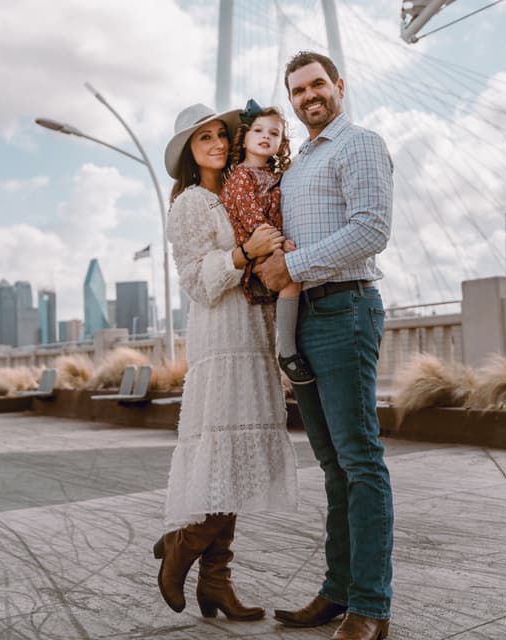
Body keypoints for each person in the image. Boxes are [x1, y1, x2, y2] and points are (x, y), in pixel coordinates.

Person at [255, 51, 394, 640]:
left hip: (345, 308)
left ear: (339, 85)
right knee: (333, 466)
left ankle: (371, 606)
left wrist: (292, 264)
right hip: (304, 317)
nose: (308, 96)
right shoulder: (301, 160)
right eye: (298, 90)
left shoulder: (358, 144)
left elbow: (371, 229)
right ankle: (337, 592)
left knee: (361, 461)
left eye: (317, 85)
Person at [155, 103, 298, 622]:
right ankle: (182, 546)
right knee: (222, 454)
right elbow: (195, 281)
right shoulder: (192, 204)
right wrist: (243, 253)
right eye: (204, 139)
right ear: (190, 155)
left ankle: (216, 582)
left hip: (253, 336)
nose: (216, 143)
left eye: (221, 135)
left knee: (235, 462)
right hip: (220, 339)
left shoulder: (241, 187)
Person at [221, 98, 315, 385]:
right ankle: (286, 351)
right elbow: (254, 223)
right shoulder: (241, 177)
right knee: (292, 278)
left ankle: (289, 347)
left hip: (272, 246)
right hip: (258, 254)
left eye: (274, 134)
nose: (266, 137)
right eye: (259, 131)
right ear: (245, 137)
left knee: (296, 279)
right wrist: (280, 245)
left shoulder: (275, 176)